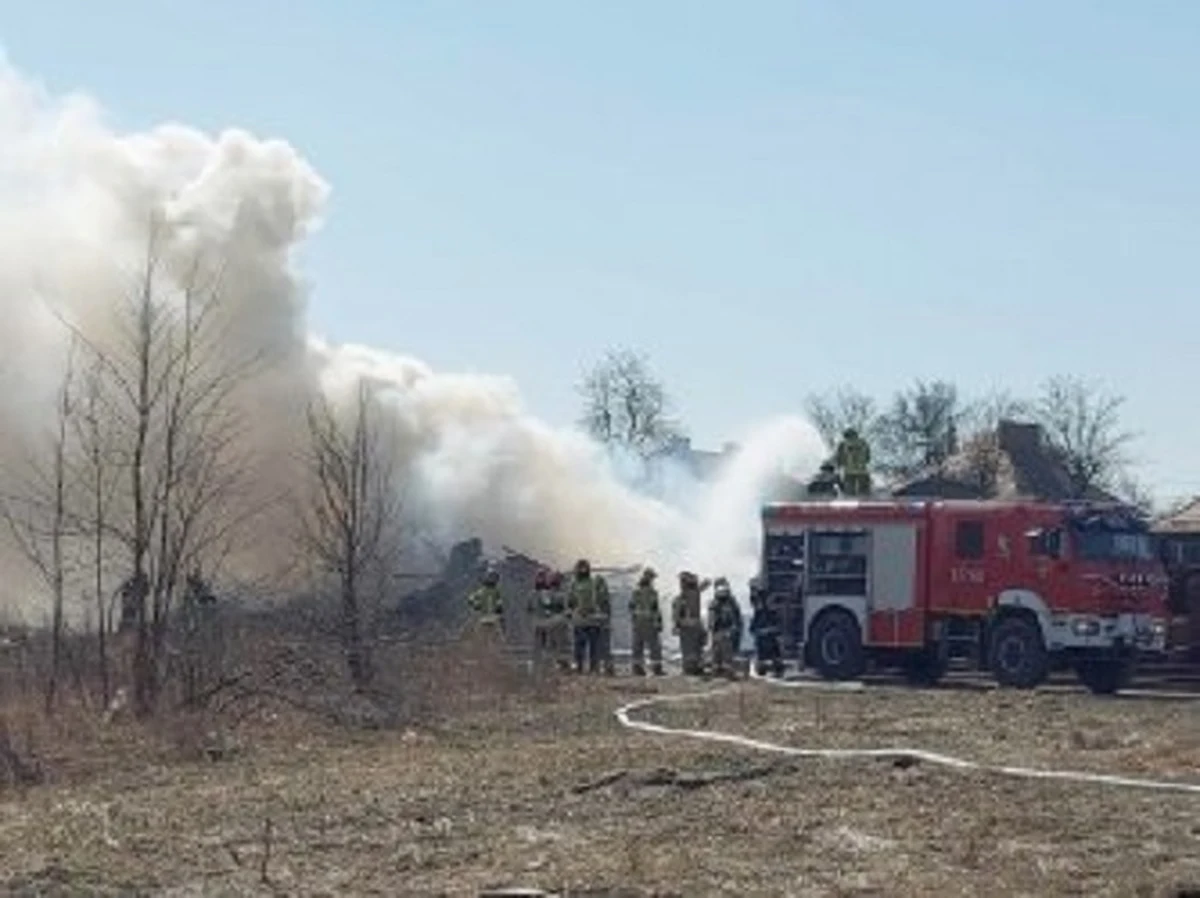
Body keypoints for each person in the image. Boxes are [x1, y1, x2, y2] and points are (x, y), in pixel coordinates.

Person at [567, 559, 611, 674]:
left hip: (593, 619)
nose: (582, 570)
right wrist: (572, 612)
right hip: (580, 619)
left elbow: (602, 598)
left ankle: (593, 667)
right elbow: (571, 601)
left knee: (593, 645)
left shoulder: (593, 583)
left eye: (584, 567)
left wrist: (602, 612)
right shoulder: (574, 584)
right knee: (579, 645)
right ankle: (579, 666)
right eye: (581, 568)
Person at [528, 568, 568, 674]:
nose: (541, 580)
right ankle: (542, 665)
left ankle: (545, 665)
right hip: (542, 623)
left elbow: (532, 608)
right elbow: (545, 606)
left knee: (546, 645)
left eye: (542, 577)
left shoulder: (539, 593)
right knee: (543, 645)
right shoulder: (537, 594)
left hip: (545, 623)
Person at [672, 571, 710, 675]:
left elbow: (676, 613)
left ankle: (691, 667)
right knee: (695, 648)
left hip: (688, 625)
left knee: (690, 648)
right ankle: (694, 667)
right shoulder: (692, 594)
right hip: (693, 624)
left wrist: (676, 624)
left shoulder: (685, 596)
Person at [628, 567, 665, 676]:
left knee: (638, 644)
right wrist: (659, 622)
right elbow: (656, 609)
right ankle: (656, 668)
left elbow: (631, 608)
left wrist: (634, 619)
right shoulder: (652, 593)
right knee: (654, 645)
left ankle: (637, 667)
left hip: (639, 622)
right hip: (649, 622)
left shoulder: (636, 593)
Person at [748, 577, 785, 677]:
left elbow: (777, 624)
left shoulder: (768, 607)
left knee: (774, 651)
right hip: (763, 636)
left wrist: (769, 630)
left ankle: (776, 667)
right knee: (763, 652)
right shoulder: (759, 610)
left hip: (770, 636)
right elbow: (754, 626)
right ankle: (766, 666)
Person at [707, 577, 743, 679]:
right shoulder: (715, 603)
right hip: (719, 632)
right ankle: (718, 670)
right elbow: (712, 620)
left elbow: (737, 618)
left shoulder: (732, 602)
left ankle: (727, 671)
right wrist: (713, 629)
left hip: (729, 631)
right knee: (718, 652)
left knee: (728, 653)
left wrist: (734, 629)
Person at [467, 564, 506, 642]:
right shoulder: (495, 591)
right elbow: (499, 605)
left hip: (484, 617)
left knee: (474, 632)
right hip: (492, 618)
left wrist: (476, 606)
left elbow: (470, 599)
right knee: (500, 635)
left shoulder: (482, 590)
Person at [835, 427, 872, 496]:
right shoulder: (863, 443)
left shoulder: (843, 444)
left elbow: (839, 459)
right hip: (863, 472)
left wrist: (839, 467)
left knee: (849, 496)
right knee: (865, 495)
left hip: (849, 473)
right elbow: (868, 458)